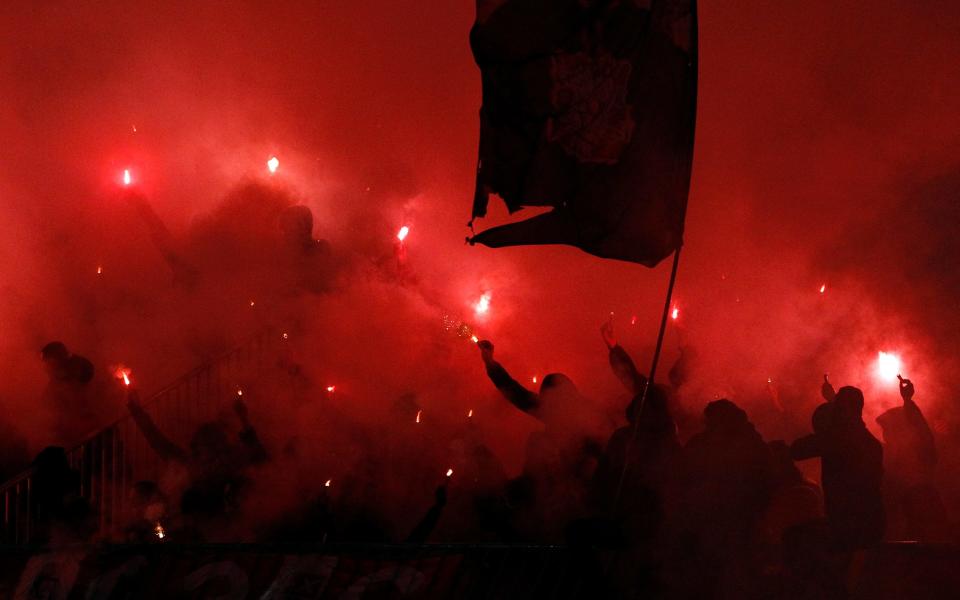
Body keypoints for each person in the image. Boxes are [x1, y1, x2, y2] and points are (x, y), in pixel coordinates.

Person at [477, 339, 606, 540]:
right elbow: (515, 392)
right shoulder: (550, 410)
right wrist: (490, 363)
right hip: (542, 494)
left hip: (570, 503)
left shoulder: (587, 421)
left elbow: (595, 462)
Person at [126, 388, 268, 539]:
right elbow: (158, 441)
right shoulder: (191, 465)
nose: (203, 449)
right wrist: (137, 411)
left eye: (208, 444)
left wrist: (244, 419)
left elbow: (258, 456)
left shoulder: (229, 464)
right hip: (198, 533)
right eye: (201, 445)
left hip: (228, 530)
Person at [791, 385, 885, 550]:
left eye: (838, 407)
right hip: (872, 521)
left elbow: (797, 450)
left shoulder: (837, 439)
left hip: (847, 524)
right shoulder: (871, 443)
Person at [876, 376, 948, 541]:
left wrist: (908, 402)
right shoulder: (886, 455)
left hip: (925, 532)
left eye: (887, 429)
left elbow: (922, 434)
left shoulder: (920, 456)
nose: (885, 435)